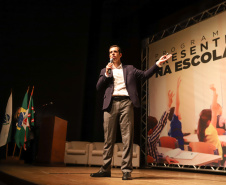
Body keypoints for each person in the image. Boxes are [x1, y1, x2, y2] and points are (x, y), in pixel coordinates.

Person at [90, 45, 172, 180]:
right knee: (108, 139)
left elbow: (145, 75)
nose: (113, 54)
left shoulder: (130, 69)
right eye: (111, 52)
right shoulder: (105, 70)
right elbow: (98, 87)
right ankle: (105, 169)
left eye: (115, 52)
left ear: (120, 54)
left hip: (126, 103)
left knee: (127, 138)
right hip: (110, 104)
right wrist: (106, 74)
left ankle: (126, 170)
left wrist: (158, 63)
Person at [147, 90, 179, 164]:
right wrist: (169, 105)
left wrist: (165, 157)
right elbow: (161, 124)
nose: (157, 130)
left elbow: (155, 154)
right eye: (155, 129)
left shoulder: (151, 142)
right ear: (150, 131)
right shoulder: (150, 140)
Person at [197, 85, 223, 159]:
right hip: (217, 158)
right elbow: (214, 109)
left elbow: (211, 143)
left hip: (207, 158)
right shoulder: (211, 129)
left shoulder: (201, 130)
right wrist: (214, 92)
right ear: (209, 121)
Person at [168, 77, 184, 150]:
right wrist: (177, 87)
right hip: (178, 144)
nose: (179, 112)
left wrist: (169, 102)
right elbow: (177, 104)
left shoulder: (173, 122)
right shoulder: (175, 120)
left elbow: (170, 110)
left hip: (177, 141)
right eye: (177, 112)